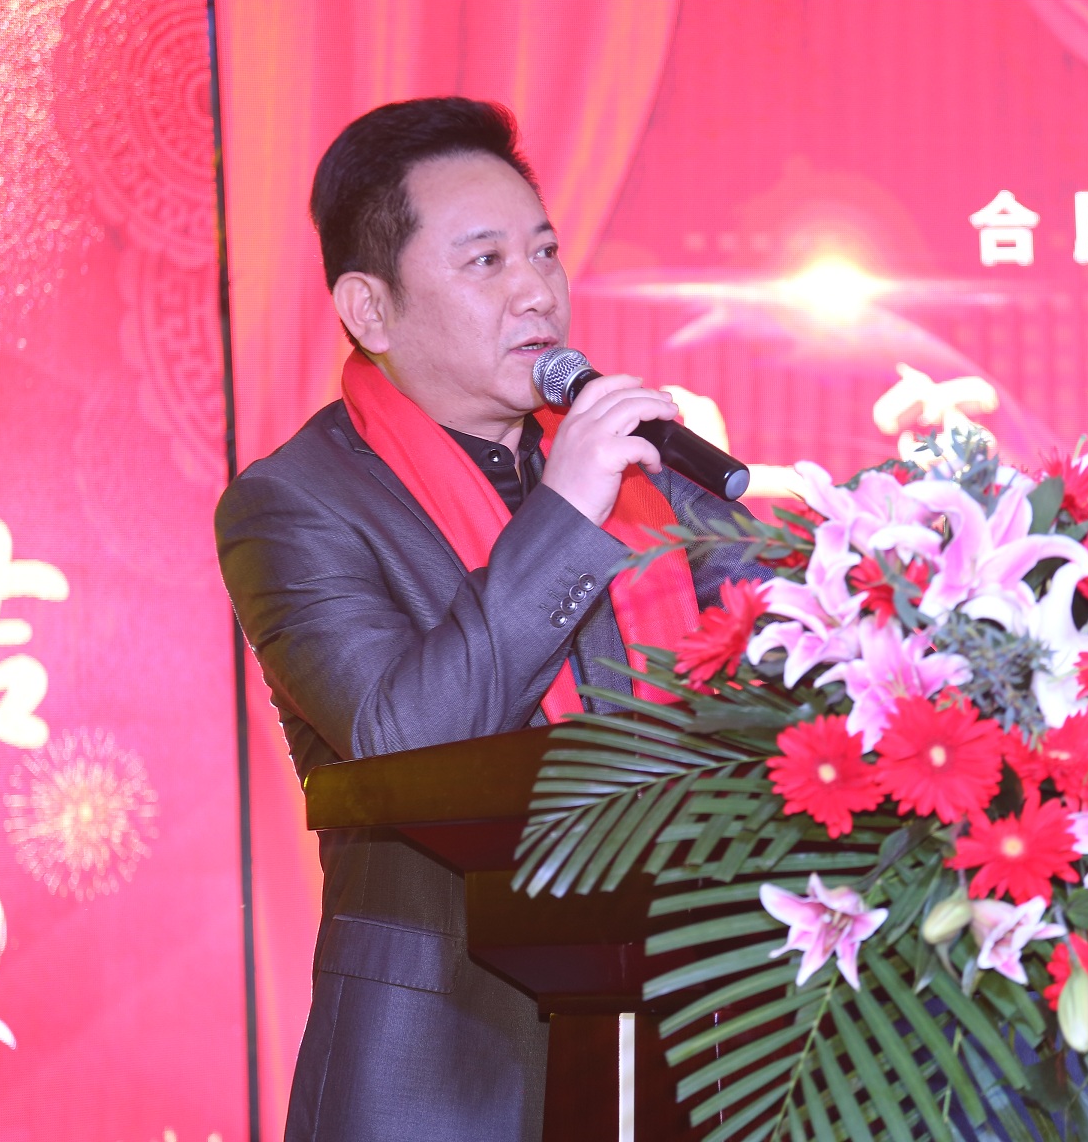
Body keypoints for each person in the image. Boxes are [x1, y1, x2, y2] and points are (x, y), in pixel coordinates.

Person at [214, 97, 767, 1142]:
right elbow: (408, 736)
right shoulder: (294, 506)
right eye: (486, 261)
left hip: (694, 1040)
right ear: (371, 310)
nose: (536, 290)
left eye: (544, 252)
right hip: (440, 1071)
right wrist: (566, 513)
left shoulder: (651, 476)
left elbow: (793, 651)